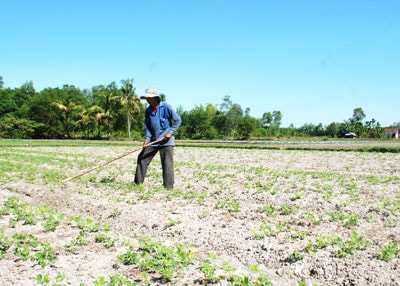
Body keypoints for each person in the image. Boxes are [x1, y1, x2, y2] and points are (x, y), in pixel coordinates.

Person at [134, 87, 182, 189]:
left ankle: (168, 187)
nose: (147, 100)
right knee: (142, 158)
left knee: (167, 164)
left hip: (166, 141)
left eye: (149, 98)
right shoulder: (148, 111)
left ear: (155, 98)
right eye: (146, 98)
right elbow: (147, 127)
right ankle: (137, 183)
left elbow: (178, 120)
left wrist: (170, 132)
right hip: (153, 141)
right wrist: (147, 140)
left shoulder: (166, 107)